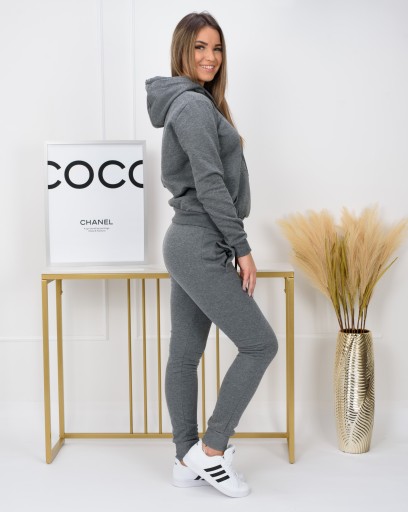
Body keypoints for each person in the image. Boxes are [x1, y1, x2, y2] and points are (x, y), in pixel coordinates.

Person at [145, 11, 278, 498]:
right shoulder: (193, 106)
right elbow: (210, 183)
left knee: (185, 354)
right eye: (200, 47)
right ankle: (213, 450)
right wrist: (242, 249)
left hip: (189, 240)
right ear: (182, 50)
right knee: (260, 345)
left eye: (217, 48)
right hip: (200, 243)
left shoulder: (193, 103)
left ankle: (186, 458)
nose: (210, 57)